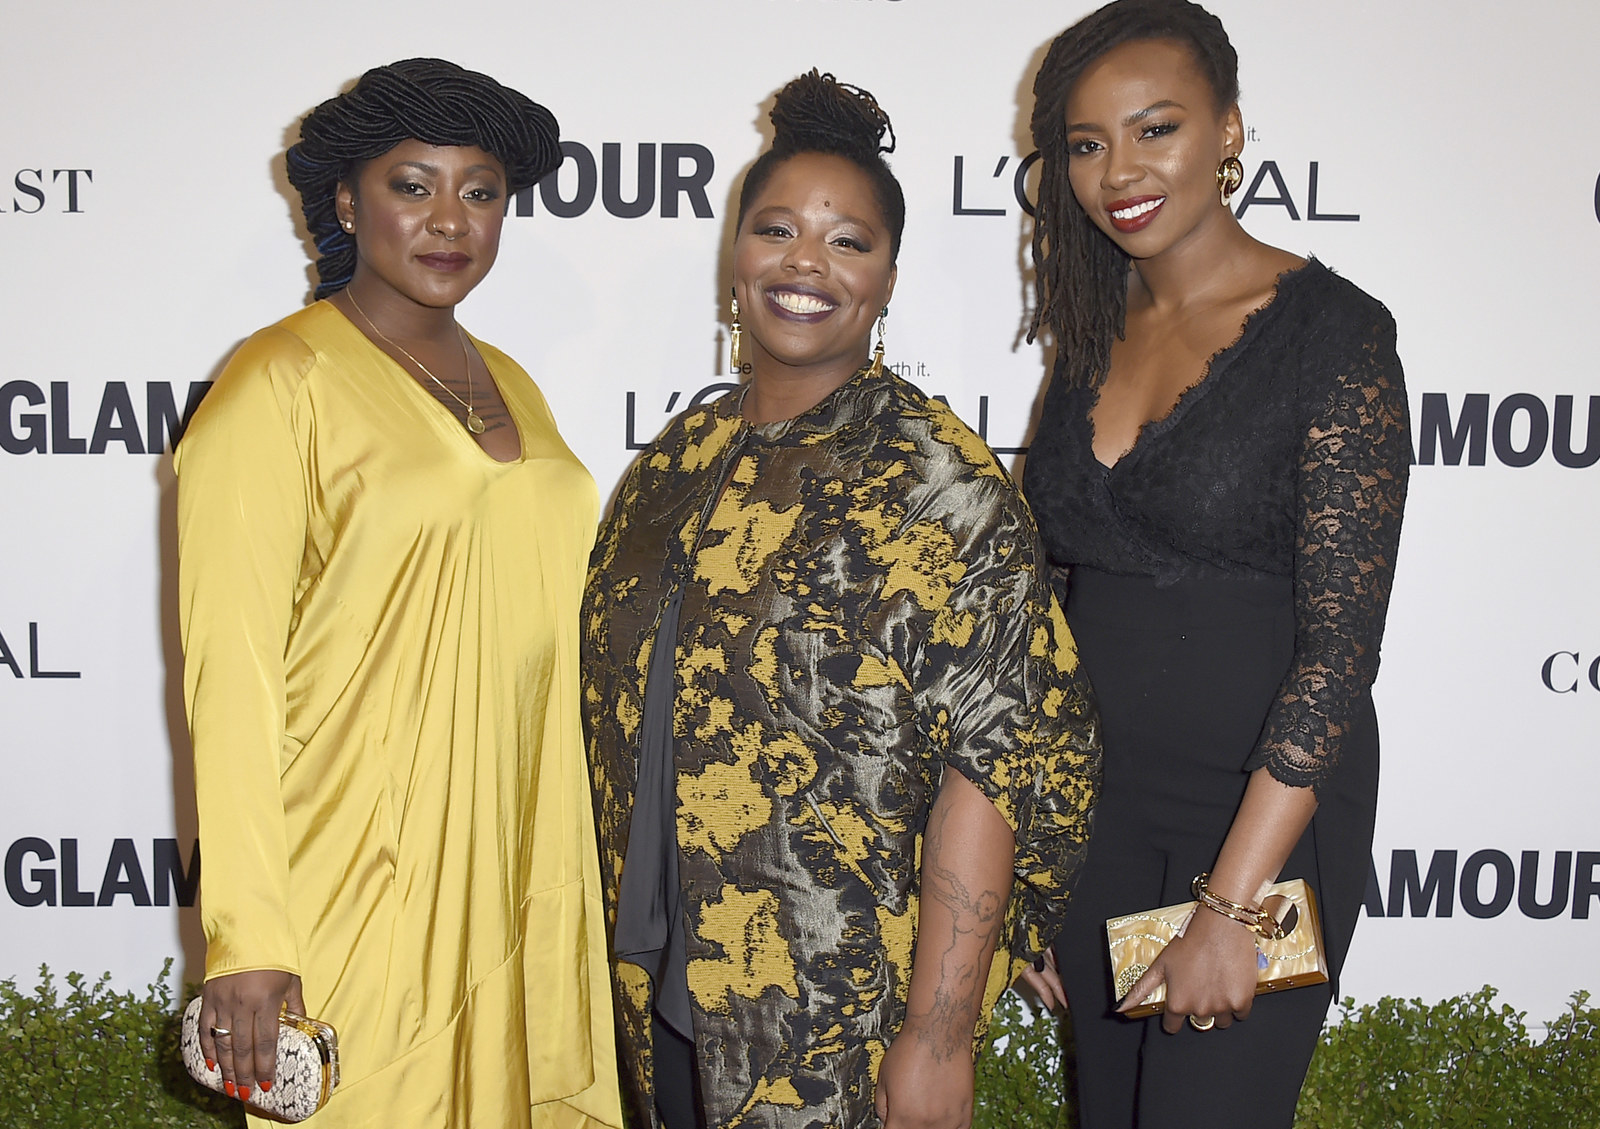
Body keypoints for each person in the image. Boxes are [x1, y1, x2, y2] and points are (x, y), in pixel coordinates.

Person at [581, 71, 1101, 1129]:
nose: (805, 263)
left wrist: (937, 1038)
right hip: (659, 999)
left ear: (889, 278)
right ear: (735, 259)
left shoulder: (935, 482)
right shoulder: (677, 460)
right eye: (775, 229)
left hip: (836, 1031)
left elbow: (996, 770)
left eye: (847, 241)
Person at [176, 58, 622, 1129]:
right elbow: (228, 676)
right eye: (412, 185)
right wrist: (249, 938)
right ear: (345, 200)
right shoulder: (274, 384)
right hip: (360, 871)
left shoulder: (514, 380)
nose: (448, 220)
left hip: (523, 866)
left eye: (479, 191)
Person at [1014, 2, 1410, 1126]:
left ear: (1230, 131)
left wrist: (1230, 910)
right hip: (1100, 818)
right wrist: (1037, 865)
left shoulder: (1333, 334)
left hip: (1258, 833)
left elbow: (1338, 654)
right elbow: (1046, 609)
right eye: (1085, 144)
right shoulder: (1087, 337)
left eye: (1156, 129)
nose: (1116, 172)